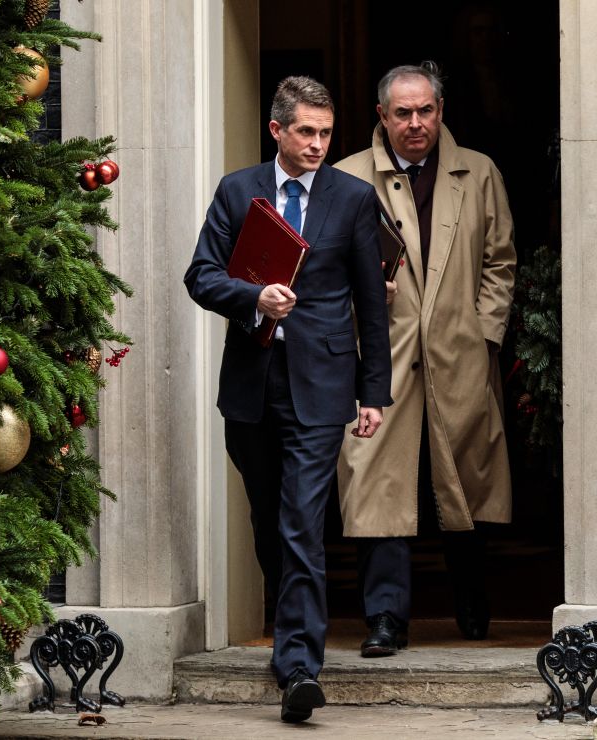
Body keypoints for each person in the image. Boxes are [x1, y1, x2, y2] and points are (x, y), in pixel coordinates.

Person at [184, 76, 392, 722]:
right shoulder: (236, 191)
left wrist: (373, 392)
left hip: (324, 386)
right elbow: (201, 275)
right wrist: (254, 299)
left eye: (326, 133)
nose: (317, 144)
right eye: (306, 132)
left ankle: (300, 665)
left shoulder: (353, 199)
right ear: (277, 130)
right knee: (269, 524)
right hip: (251, 386)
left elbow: (371, 304)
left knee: (302, 519)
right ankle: (289, 628)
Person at [335, 63, 516, 657]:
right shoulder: (346, 178)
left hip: (458, 352)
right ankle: (386, 619)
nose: (416, 124)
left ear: (441, 112)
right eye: (403, 114)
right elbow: (318, 270)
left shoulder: (480, 172)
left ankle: (472, 598)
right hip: (377, 359)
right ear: (381, 118)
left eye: (426, 112)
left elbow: (500, 261)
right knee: (380, 484)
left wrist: (484, 333)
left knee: (463, 481)